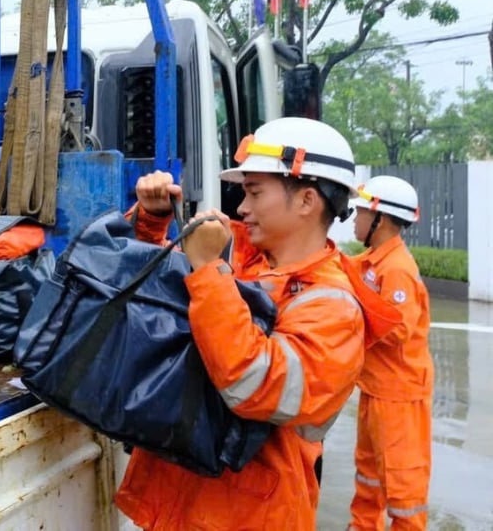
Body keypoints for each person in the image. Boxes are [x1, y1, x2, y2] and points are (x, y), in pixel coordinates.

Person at [115, 117, 392, 530]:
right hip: (189, 506)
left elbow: (255, 386)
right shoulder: (250, 265)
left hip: (248, 517)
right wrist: (153, 224)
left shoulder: (334, 307)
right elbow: (152, 310)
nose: (241, 207)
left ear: (306, 201)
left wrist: (208, 267)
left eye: (253, 191)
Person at [348, 175, 433, 530]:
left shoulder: (397, 270)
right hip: (376, 389)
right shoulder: (371, 261)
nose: (354, 218)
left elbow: (396, 330)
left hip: (399, 396)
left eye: (361, 212)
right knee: (368, 475)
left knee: (403, 487)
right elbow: (339, 274)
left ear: (379, 220)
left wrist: (354, 317)